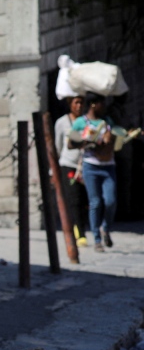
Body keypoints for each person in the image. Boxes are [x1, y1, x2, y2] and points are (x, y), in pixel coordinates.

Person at [69, 92, 118, 252]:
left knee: (110, 201)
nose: (104, 107)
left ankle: (106, 228)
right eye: (101, 103)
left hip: (108, 165)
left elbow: (116, 140)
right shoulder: (80, 123)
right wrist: (86, 141)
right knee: (95, 202)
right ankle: (97, 239)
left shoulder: (107, 122)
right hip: (91, 166)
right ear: (94, 104)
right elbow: (70, 144)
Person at [54, 95, 89, 246]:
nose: (79, 106)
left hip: (86, 164)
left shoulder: (88, 122)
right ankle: (79, 232)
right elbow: (58, 146)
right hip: (68, 164)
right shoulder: (62, 122)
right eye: (76, 102)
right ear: (70, 104)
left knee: (84, 199)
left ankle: (83, 227)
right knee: (74, 199)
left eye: (82, 102)